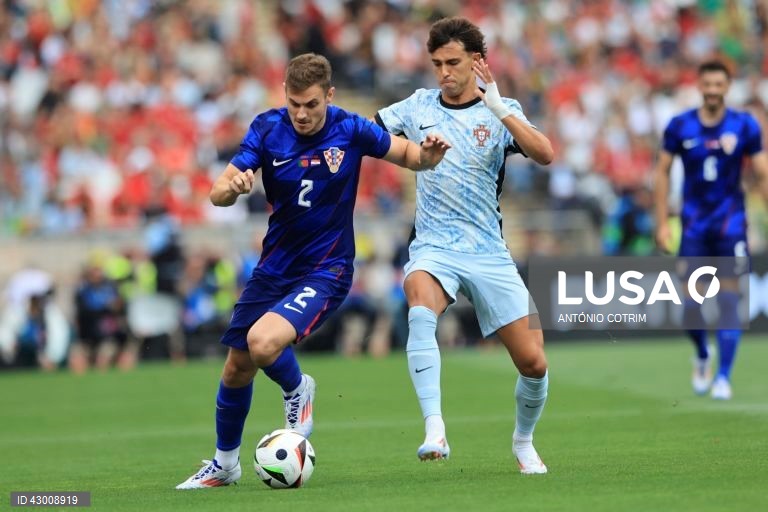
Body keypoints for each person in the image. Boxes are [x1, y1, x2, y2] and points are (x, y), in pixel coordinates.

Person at [176, 53, 450, 489]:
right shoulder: (267, 128)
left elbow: (409, 155)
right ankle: (225, 465)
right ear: (285, 95)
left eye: (311, 105)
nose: (301, 114)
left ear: (329, 96)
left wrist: (429, 157)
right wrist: (233, 187)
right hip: (274, 267)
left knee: (263, 344)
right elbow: (216, 193)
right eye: (294, 103)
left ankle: (298, 387)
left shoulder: (351, 128)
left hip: (327, 269)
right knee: (236, 367)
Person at [374, 17, 554, 474]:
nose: (443, 73)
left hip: (490, 252)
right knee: (418, 301)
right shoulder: (416, 107)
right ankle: (435, 427)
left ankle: (523, 441)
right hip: (434, 247)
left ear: (477, 62)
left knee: (534, 363)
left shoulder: (502, 109)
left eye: (452, 63)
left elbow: (546, 153)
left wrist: (498, 107)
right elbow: (365, 133)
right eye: (436, 64)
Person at [654, 60, 768, 401]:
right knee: (691, 303)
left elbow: (762, 172)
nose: (713, 90)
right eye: (708, 84)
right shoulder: (680, 125)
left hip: (731, 222)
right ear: (700, 86)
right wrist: (661, 222)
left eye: (719, 84)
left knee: (730, 299)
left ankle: (723, 376)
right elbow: (661, 172)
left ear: (728, 86)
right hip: (692, 224)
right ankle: (703, 353)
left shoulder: (744, 125)